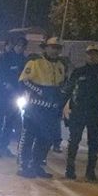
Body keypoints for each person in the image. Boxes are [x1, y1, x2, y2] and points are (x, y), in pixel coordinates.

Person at [62, 44, 98, 181]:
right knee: (73, 141)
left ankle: (90, 171)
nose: (92, 56)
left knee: (93, 144)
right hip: (78, 112)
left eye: (95, 54)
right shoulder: (78, 72)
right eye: (89, 54)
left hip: (96, 113)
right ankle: (70, 170)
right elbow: (68, 89)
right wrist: (60, 105)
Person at [16, 36, 67, 178]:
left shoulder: (61, 66)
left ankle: (37, 165)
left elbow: (62, 85)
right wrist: (40, 91)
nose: (55, 51)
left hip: (51, 109)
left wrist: (60, 96)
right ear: (45, 48)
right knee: (28, 136)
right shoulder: (35, 62)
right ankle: (24, 165)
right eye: (52, 47)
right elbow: (23, 81)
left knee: (45, 139)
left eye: (58, 48)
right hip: (35, 107)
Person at [0, 34, 29, 158]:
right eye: (18, 45)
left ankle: (3, 146)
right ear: (13, 45)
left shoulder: (24, 61)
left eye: (23, 46)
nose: (20, 48)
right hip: (2, 95)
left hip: (17, 96)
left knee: (10, 123)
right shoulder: (3, 59)